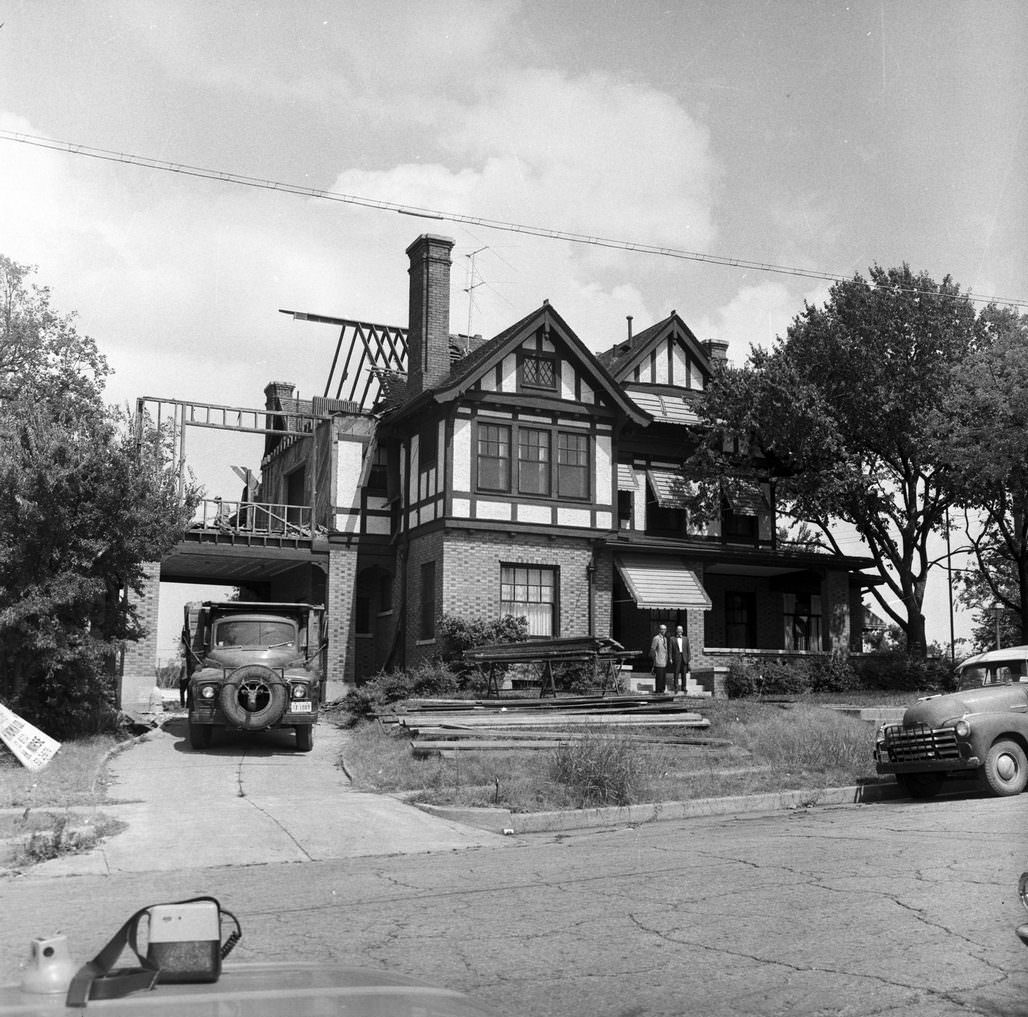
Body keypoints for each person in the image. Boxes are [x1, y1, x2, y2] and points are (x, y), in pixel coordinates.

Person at [669, 623, 690, 694]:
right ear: (676, 631)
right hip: (676, 658)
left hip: (684, 658)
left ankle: (684, 687)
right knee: (676, 673)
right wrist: (670, 658)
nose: (679, 631)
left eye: (681, 630)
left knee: (684, 674)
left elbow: (688, 649)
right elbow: (670, 650)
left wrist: (688, 658)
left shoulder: (686, 639)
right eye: (678, 630)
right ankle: (676, 687)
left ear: (683, 631)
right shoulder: (672, 639)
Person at [649, 624, 669, 694]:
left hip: (664, 661)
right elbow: (652, 650)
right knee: (659, 678)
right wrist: (655, 660)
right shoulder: (656, 638)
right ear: (659, 630)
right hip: (658, 661)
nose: (663, 631)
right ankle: (658, 692)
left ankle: (662, 691)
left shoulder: (665, 639)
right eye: (662, 629)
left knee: (663, 679)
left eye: (664, 629)